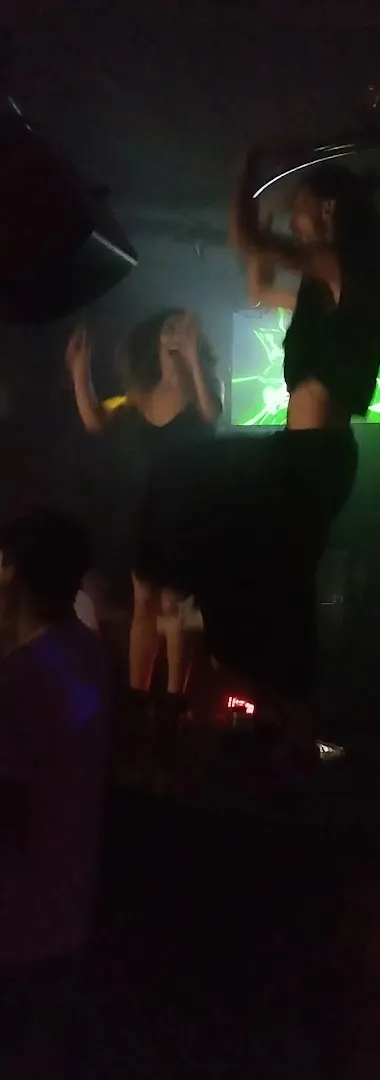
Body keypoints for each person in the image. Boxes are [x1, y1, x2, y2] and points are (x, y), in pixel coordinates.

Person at [216, 147, 380, 716]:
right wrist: (266, 222)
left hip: (314, 456)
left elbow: (247, 239)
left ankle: (289, 714)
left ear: (328, 211)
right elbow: (257, 287)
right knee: (279, 581)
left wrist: (248, 169)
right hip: (309, 452)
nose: (293, 219)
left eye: (298, 207)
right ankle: (283, 709)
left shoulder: (342, 268)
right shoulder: (327, 285)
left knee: (285, 586)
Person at [66, 310, 222, 715]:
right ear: (154, 339)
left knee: (173, 606)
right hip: (146, 510)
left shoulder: (203, 384)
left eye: (182, 328)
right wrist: (80, 371)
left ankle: (173, 701)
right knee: (144, 604)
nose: (174, 333)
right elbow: (95, 420)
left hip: (185, 512)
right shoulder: (140, 395)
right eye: (169, 328)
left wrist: (191, 355)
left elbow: (212, 414)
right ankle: (138, 698)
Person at [0, 509, 107, 1075]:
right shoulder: (89, 656)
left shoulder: (22, 677)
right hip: (65, 921)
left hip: (13, 930)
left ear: (12, 570)